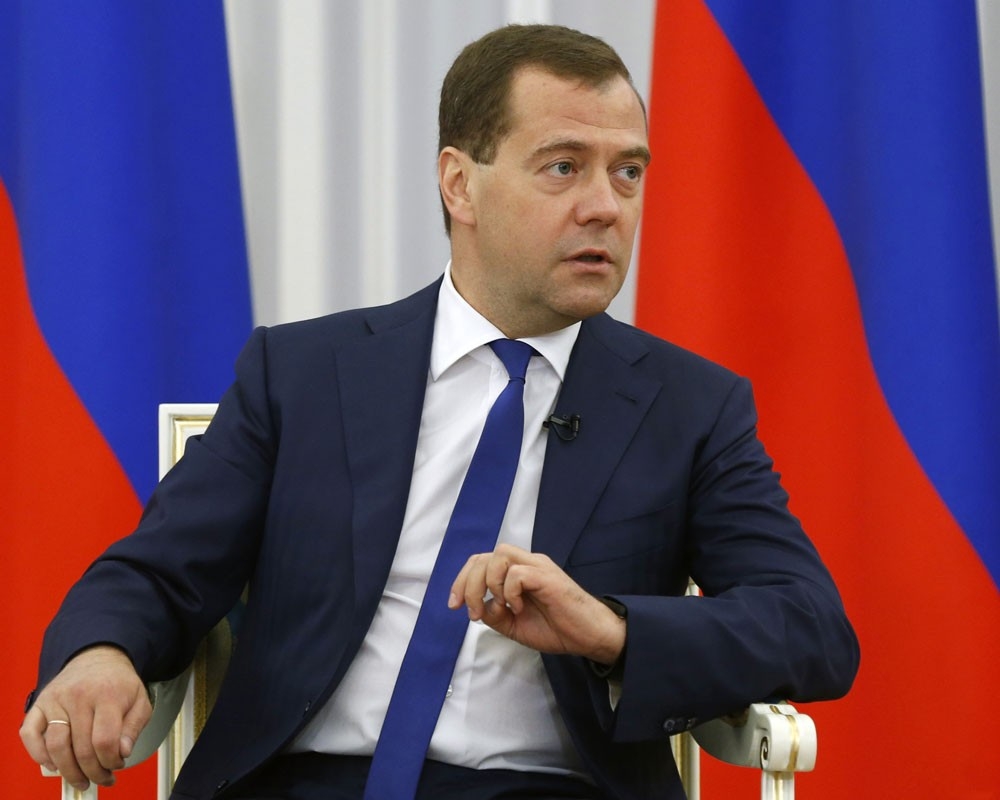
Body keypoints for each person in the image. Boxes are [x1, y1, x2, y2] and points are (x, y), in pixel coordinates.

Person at [20, 24, 859, 800]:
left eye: (627, 172)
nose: (606, 206)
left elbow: (812, 628)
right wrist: (102, 652)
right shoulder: (303, 375)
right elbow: (159, 571)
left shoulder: (691, 408)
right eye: (563, 167)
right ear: (460, 183)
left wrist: (612, 630)